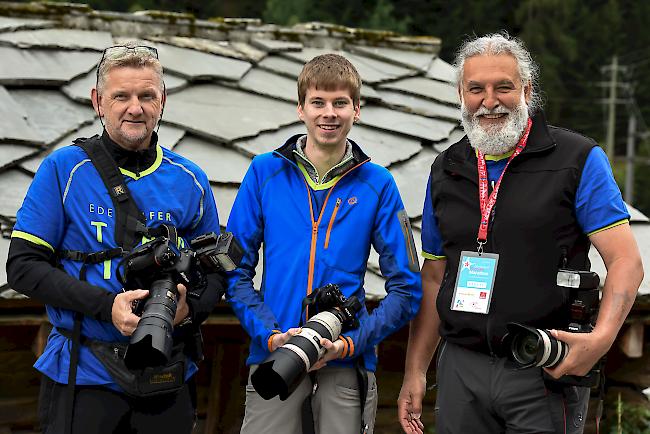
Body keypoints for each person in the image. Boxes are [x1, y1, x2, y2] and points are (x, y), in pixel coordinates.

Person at [397, 33, 644, 434]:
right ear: (461, 93)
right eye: (476, 88)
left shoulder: (578, 159)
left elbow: (626, 262)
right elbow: (434, 277)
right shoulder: (446, 169)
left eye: (503, 87)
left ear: (527, 90)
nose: (489, 101)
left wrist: (600, 340)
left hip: (542, 369)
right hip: (462, 369)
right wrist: (414, 371)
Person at [6, 43, 224, 434]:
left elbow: (219, 269)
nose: (135, 108)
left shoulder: (190, 179)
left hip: (167, 373)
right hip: (84, 372)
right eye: (120, 96)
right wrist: (107, 307)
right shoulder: (63, 170)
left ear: (163, 101)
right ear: (98, 101)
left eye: (146, 96)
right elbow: (23, 267)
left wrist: (189, 310)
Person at [226, 53, 422, 434]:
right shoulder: (264, 172)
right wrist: (271, 335)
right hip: (275, 354)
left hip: (346, 362)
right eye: (318, 102)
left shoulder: (378, 184)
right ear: (300, 109)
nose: (328, 113)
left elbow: (408, 288)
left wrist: (348, 343)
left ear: (357, 109)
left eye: (340, 103)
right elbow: (234, 270)